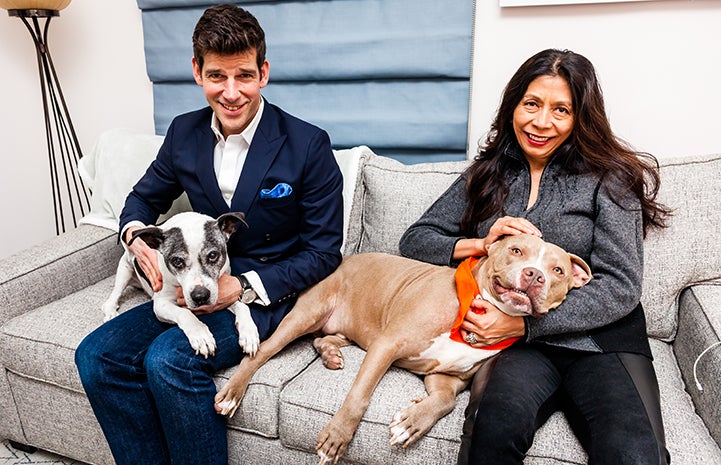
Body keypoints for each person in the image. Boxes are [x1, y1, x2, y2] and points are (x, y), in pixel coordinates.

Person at [74, 4, 344, 465]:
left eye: (244, 75)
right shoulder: (183, 133)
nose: (232, 92)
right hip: (190, 286)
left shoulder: (308, 144)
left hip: (265, 294)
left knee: (168, 360)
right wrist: (135, 239)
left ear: (264, 72)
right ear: (197, 71)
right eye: (217, 76)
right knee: (97, 356)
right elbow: (140, 201)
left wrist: (241, 286)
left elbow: (323, 252)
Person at [399, 49, 671, 465]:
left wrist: (525, 324)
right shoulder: (487, 173)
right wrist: (479, 243)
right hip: (511, 348)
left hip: (601, 341)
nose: (541, 122)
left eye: (561, 109)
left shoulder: (612, 179)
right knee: (491, 434)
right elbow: (416, 240)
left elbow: (621, 287)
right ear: (514, 106)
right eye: (532, 104)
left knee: (636, 454)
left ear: (581, 117)